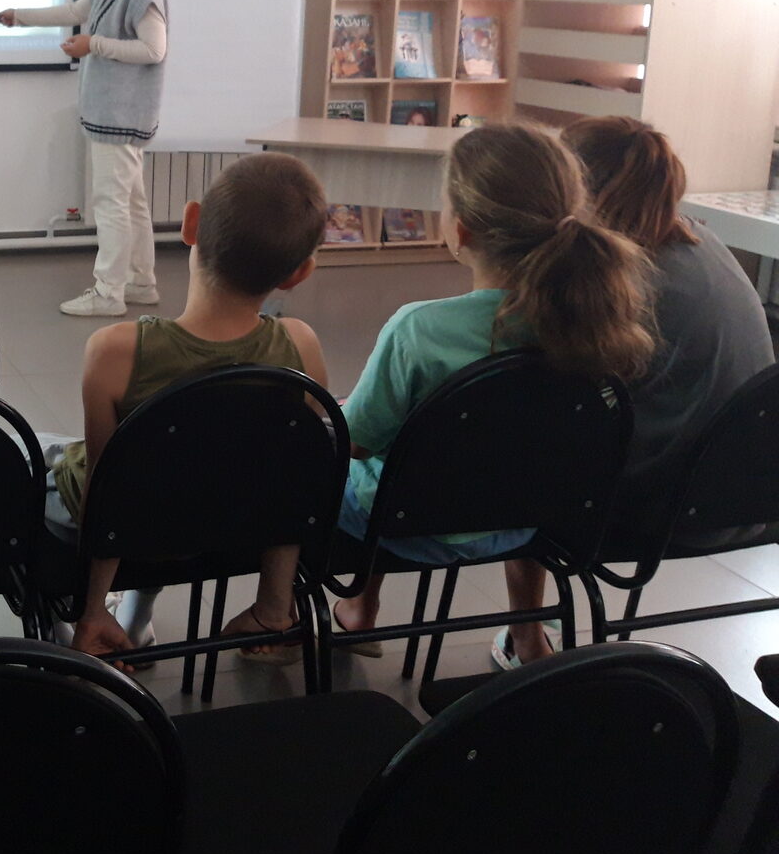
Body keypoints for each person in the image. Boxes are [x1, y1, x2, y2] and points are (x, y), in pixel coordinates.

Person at [250, 123, 655, 671]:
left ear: (460, 229)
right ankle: (527, 634)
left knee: (342, 452)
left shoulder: (419, 330)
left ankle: (303, 610)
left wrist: (333, 414)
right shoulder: (594, 325)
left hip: (406, 523)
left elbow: (359, 443)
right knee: (513, 451)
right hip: (529, 520)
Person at [42, 154, 330, 660]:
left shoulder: (114, 352)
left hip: (140, 523)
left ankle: (66, 616)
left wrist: (92, 609)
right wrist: (274, 602)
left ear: (191, 222)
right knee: (174, 468)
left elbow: (106, 496)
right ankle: (137, 615)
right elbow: (295, 479)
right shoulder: (301, 348)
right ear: (300, 272)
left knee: (41, 455)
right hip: (232, 520)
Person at [561, 116, 774, 545]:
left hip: (669, 511)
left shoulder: (622, 277)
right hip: (751, 495)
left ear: (576, 188)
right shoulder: (703, 240)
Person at [0, 0, 168, 317]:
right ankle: (140, 282)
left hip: (120, 116)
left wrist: (94, 44)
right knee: (130, 202)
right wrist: (19, 16)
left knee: (111, 204)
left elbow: (154, 49)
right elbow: (75, 10)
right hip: (114, 114)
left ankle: (109, 292)